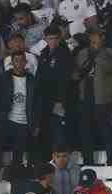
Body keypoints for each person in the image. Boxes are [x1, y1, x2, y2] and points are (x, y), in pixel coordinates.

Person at [74, 28, 112, 165]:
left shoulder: (109, 52)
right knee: (86, 132)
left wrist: (99, 57)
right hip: (85, 97)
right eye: (92, 36)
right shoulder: (82, 53)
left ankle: (111, 161)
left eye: (97, 36)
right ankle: (88, 162)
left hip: (102, 99)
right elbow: (78, 70)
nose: (95, 39)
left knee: (106, 131)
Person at [0, 51, 41, 169]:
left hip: (24, 122)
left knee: (18, 156)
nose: (19, 63)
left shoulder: (32, 80)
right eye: (16, 61)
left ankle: (16, 176)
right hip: (6, 120)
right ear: (12, 63)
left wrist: (37, 124)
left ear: (26, 62)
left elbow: (38, 105)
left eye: (21, 60)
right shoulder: (3, 78)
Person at [36, 24, 71, 157]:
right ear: (45, 38)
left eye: (55, 38)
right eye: (50, 38)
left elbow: (65, 79)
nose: (53, 41)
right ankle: (47, 162)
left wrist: (61, 101)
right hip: (44, 100)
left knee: (58, 130)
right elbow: (40, 76)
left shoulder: (64, 53)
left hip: (57, 100)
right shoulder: (44, 53)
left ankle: (60, 160)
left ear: (60, 38)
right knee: (46, 130)